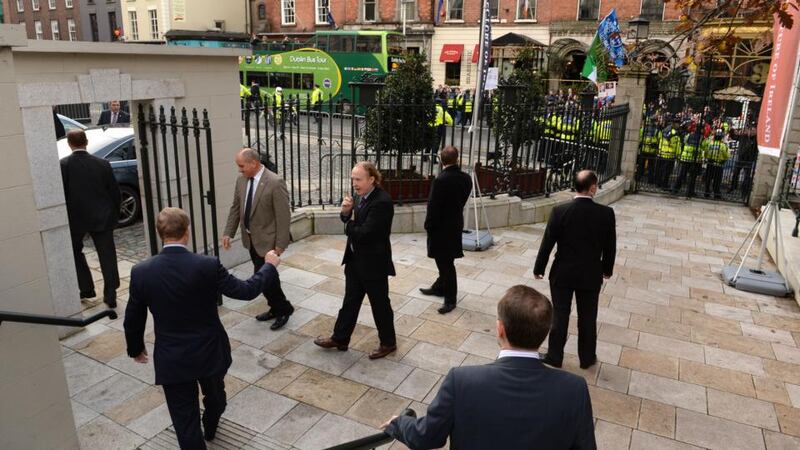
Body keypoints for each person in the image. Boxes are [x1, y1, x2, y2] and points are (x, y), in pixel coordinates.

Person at [124, 207, 282, 450]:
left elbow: (133, 317)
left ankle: (205, 431)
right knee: (216, 399)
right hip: (209, 352)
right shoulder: (207, 265)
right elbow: (246, 290)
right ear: (187, 232)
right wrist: (269, 266)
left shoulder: (142, 272)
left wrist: (136, 348)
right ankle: (211, 423)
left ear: (159, 234)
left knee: (185, 423)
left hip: (172, 358)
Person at [383, 285, 596, 450]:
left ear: (500, 329)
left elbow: (426, 436)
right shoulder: (574, 389)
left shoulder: (462, 381)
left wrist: (399, 424)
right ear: (546, 332)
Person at [314, 162, 397, 360]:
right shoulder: (361, 196)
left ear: (372, 179)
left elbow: (365, 233)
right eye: (353, 178)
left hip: (373, 264)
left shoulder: (382, 202)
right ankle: (340, 338)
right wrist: (345, 212)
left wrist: (349, 223)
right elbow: (351, 222)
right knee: (350, 301)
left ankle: (388, 343)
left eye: (358, 179)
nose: (354, 183)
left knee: (380, 305)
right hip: (354, 261)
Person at [533, 170, 616, 370]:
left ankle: (555, 356)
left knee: (560, 315)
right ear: (593, 188)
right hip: (590, 274)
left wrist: (539, 268)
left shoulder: (560, 211)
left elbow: (547, 243)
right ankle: (587, 358)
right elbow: (610, 246)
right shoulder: (605, 214)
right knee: (588, 317)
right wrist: (607, 270)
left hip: (563, 272)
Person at [222, 148, 294, 330]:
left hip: (268, 241)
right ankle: (278, 307)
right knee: (266, 276)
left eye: (241, 166)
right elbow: (236, 208)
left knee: (264, 276)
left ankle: (283, 309)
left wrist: (280, 246)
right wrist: (228, 232)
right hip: (251, 240)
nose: (239, 170)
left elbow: (283, 217)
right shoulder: (241, 180)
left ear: (253, 163)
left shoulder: (275, 182)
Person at [61, 129, 121, 308]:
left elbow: (62, 195)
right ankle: (110, 295)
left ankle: (86, 288)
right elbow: (115, 193)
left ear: (69, 144)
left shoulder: (63, 165)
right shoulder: (103, 164)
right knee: (107, 256)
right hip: (102, 217)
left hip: (75, 219)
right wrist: (115, 215)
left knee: (74, 252)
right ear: (86, 142)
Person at [419, 146, 472, 314]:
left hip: (441, 227)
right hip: (455, 224)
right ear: (457, 159)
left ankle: (450, 299)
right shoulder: (466, 178)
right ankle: (439, 287)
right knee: (445, 261)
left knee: (445, 264)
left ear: (441, 160)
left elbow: (433, 206)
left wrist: (428, 225)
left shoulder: (441, 180)